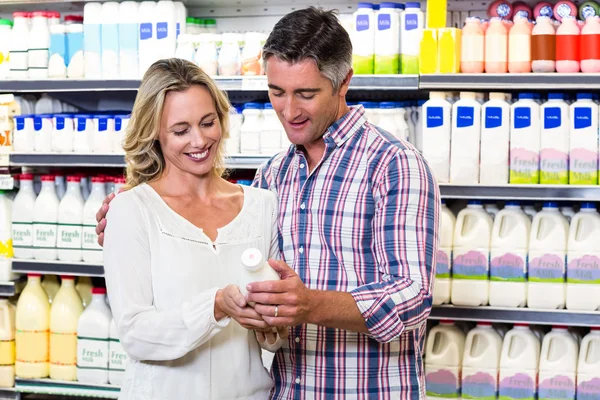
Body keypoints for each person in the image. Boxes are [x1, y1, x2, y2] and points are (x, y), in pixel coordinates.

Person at [97, 8, 439, 400]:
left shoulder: (394, 164)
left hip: (365, 391)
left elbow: (413, 297)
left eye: (306, 94)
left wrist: (310, 305)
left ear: (343, 82)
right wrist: (134, 213)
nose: (289, 111)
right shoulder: (273, 177)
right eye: (277, 92)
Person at [101, 58, 287, 399]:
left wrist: (272, 323)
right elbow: (135, 333)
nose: (199, 140)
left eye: (207, 122)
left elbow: (275, 337)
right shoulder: (132, 210)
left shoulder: (263, 206)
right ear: (154, 132)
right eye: (181, 130)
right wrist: (215, 307)